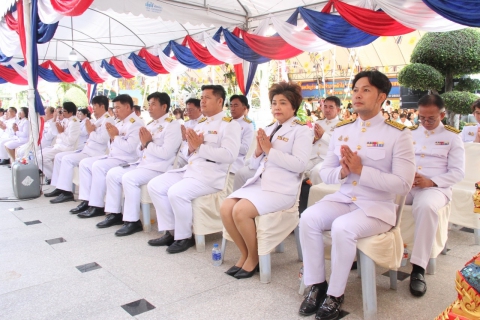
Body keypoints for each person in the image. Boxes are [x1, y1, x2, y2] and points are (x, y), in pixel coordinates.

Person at [298, 70, 415, 319]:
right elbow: (326, 171)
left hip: (376, 208)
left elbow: (404, 184)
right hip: (343, 199)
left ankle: (336, 295)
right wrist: (342, 172)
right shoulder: (342, 130)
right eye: (355, 90)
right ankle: (317, 285)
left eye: (366, 90)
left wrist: (362, 171)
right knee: (308, 218)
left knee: (342, 228)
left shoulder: (398, 134)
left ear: (382, 96)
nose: (357, 95)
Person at [221, 82, 312, 279]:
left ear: (293, 106)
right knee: (226, 206)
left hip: (282, 190)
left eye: (283, 103)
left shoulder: (302, 130)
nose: (277, 107)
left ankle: (253, 258)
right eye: (274, 103)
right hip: (261, 185)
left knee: (241, 210)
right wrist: (259, 152)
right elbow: (254, 165)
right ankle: (245, 254)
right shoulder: (270, 128)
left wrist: (270, 150)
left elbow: (299, 165)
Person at [146, 85, 241, 253]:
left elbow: (229, 155)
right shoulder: (201, 123)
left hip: (210, 177)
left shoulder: (229, 125)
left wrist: (199, 147)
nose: (202, 101)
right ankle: (171, 231)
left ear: (220, 101)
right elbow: (186, 151)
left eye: (207, 98)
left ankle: (184, 237)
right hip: (190, 171)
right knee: (155, 185)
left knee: (176, 192)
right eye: (202, 97)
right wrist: (189, 147)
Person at [95, 92, 182, 235]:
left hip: (159, 168)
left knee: (129, 178)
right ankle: (114, 214)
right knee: (113, 173)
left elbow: (166, 153)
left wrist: (147, 143)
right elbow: (138, 151)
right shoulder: (151, 125)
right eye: (149, 104)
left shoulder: (172, 125)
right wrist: (143, 146)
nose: (149, 108)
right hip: (144, 164)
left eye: (153, 104)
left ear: (164, 106)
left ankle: (132, 221)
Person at [407, 94, 464, 297]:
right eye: (421, 117)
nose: (425, 122)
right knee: (379, 196)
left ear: (442, 114)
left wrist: (431, 181)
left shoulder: (452, 136)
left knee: (426, 207)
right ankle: (367, 252)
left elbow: (458, 172)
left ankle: (418, 268)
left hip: (436, 188)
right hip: (408, 185)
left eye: (430, 118)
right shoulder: (409, 133)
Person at [74, 94, 144, 218]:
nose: (115, 111)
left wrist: (115, 137)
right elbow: (110, 142)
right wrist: (113, 138)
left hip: (127, 160)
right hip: (114, 156)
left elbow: (130, 148)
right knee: (85, 163)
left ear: (128, 107)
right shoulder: (120, 122)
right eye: (114, 108)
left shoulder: (136, 123)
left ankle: (98, 206)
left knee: (99, 166)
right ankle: (88, 201)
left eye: (118, 108)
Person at [45, 96, 115, 204]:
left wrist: (91, 131)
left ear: (102, 106)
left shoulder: (107, 120)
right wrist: (91, 131)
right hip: (87, 150)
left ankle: (69, 193)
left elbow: (103, 139)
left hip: (95, 153)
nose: (93, 109)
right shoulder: (99, 120)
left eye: (95, 106)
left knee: (68, 160)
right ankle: (61, 188)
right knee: (60, 157)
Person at [35, 102, 81, 182]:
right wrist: (54, 118)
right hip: (58, 146)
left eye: (64, 111)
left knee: (41, 158)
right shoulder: (66, 120)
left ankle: (55, 178)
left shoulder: (74, 122)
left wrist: (61, 132)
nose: (62, 113)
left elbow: (70, 141)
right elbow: (54, 133)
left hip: (66, 148)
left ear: (70, 112)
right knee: (37, 155)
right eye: (61, 111)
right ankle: (55, 177)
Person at [307, 96, 341, 185]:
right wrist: (314, 139)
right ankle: (299, 197)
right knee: (297, 168)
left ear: (338, 110)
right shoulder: (318, 123)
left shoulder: (342, 125)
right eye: (325, 106)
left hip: (327, 159)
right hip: (312, 156)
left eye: (331, 107)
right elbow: (308, 138)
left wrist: (323, 135)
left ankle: (317, 196)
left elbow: (337, 144)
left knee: (316, 172)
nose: (327, 110)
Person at [229, 94, 255, 175]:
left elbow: (245, 149)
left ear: (244, 108)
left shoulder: (248, 125)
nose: (232, 109)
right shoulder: (226, 122)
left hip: (234, 167)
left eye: (236, 105)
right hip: (221, 165)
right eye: (231, 105)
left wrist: (229, 142)